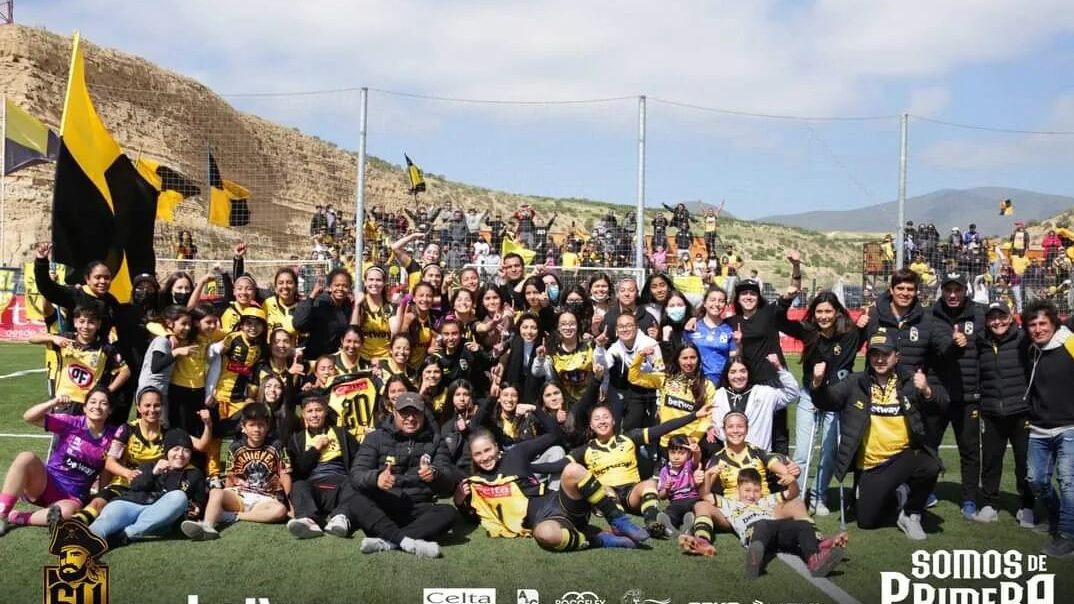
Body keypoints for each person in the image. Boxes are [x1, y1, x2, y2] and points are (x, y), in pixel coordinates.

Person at [811, 329, 946, 540]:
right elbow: (827, 401)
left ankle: (911, 513)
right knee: (867, 521)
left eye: (885, 354)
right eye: (875, 354)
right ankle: (898, 493)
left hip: (903, 457)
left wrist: (927, 391)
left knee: (930, 465)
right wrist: (818, 384)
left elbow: (942, 405)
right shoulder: (855, 382)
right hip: (871, 466)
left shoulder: (911, 381)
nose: (880, 359)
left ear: (896, 356)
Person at [458, 422, 649, 549]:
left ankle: (619, 521)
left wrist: (535, 409)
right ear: (472, 457)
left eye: (487, 450)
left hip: (560, 502)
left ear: (496, 447)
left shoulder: (516, 455)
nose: (485, 457)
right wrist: (460, 502)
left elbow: (555, 434)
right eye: (478, 454)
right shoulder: (475, 483)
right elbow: (479, 517)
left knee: (572, 470)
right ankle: (599, 539)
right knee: (544, 535)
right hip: (546, 522)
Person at [777, 286, 869, 516]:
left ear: (837, 312)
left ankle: (819, 496)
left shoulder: (850, 334)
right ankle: (797, 496)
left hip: (836, 399)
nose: (823, 316)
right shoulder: (808, 332)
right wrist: (787, 298)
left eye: (828, 311)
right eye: (819, 312)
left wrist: (869, 316)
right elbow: (780, 320)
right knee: (801, 450)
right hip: (810, 395)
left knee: (830, 451)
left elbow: (872, 327)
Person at [567, 397, 714, 537]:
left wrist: (695, 415)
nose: (602, 421)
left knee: (650, 483)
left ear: (613, 421)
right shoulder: (585, 450)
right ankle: (620, 524)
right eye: (597, 419)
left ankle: (653, 522)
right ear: (591, 425)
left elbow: (662, 428)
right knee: (605, 490)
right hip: (608, 496)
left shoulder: (629, 438)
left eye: (605, 417)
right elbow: (558, 465)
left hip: (631, 494)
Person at [340, 393, 458, 558]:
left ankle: (389, 542)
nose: (410, 418)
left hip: (416, 507)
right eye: (404, 413)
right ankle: (406, 542)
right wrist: (376, 478)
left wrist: (434, 474)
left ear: (424, 414)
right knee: (355, 499)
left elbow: (448, 481)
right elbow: (357, 474)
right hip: (383, 506)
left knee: (448, 512)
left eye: (416, 413)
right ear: (394, 413)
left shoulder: (437, 442)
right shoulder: (375, 438)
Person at [0, 388, 119, 533]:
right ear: (85, 407)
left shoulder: (114, 437)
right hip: (45, 484)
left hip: (72, 497)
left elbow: (107, 469)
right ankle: (2, 514)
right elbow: (28, 417)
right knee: (26, 458)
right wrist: (53, 402)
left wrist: (101, 498)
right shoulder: (72, 423)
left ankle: (16, 517)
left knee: (70, 513)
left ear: (110, 410)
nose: (97, 406)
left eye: (104, 403)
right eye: (92, 402)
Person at [706, 468, 846, 578]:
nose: (751, 495)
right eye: (747, 490)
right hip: (754, 531)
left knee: (803, 525)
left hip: (775, 532)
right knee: (762, 524)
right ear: (738, 490)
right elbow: (705, 495)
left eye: (756, 491)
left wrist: (792, 482)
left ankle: (814, 560)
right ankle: (754, 560)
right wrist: (708, 475)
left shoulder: (766, 500)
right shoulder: (729, 504)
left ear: (761, 491)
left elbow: (793, 493)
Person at [181, 404, 290, 540]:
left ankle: (234, 516)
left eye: (261, 425)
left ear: (267, 426)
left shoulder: (276, 445)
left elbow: (285, 475)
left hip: (266, 498)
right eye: (252, 425)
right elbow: (230, 477)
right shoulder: (235, 447)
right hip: (240, 495)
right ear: (243, 427)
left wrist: (289, 504)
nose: (257, 429)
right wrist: (223, 496)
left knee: (280, 511)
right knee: (216, 492)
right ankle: (207, 526)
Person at [87, 429, 207, 547]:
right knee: (104, 523)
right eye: (176, 449)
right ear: (167, 451)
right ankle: (84, 544)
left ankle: (126, 534)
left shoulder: (194, 474)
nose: (180, 455)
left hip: (159, 517)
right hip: (131, 505)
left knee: (179, 497)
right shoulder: (152, 465)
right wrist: (154, 472)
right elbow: (136, 486)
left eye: (186, 450)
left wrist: (196, 508)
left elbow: (200, 501)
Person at [928, 271, 985, 519]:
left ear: (965, 290)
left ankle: (970, 499)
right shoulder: (929, 314)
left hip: (969, 395)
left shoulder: (981, 314)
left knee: (970, 451)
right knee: (929, 447)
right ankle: (925, 491)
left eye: (957, 289)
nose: (952, 294)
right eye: (948, 289)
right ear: (942, 290)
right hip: (937, 393)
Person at [1021, 300, 1074, 557]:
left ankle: (1067, 535)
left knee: (1068, 482)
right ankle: (1056, 520)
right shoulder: (1033, 350)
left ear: (1054, 323)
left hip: (1070, 428)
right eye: (1032, 324)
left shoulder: (1070, 343)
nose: (1038, 329)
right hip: (1040, 428)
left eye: (1043, 323)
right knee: (1036, 480)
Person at [975, 302, 1035, 526]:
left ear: (1011, 318)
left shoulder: (1023, 339)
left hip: (1021, 412)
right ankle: (989, 504)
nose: (997, 322)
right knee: (990, 460)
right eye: (992, 318)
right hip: (990, 411)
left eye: (1001, 317)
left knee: (1024, 461)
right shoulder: (981, 342)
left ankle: (1027, 506)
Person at [285, 394, 360, 539]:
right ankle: (308, 520)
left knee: (355, 484)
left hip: (340, 482)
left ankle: (340, 518)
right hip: (313, 485)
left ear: (325, 412)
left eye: (318, 410)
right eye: (310, 411)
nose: (314, 415)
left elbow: (358, 458)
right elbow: (298, 469)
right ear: (304, 415)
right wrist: (315, 449)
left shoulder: (341, 433)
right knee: (298, 485)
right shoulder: (297, 439)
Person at [712, 356, 800, 451]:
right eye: (733, 372)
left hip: (760, 457)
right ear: (727, 375)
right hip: (730, 456)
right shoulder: (718, 396)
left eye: (743, 371)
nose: (738, 376)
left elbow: (793, 393)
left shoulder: (764, 393)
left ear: (749, 373)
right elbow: (716, 424)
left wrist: (779, 368)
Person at [293, 268, 355, 360]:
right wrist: (312, 295)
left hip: (335, 358)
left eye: (345, 286)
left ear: (350, 288)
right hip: (314, 358)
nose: (340, 289)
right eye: (337, 285)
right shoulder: (320, 303)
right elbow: (299, 323)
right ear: (330, 286)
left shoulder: (348, 305)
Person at [687, 287, 736, 387]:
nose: (717, 304)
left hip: (722, 384)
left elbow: (733, 355)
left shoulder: (729, 329)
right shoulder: (692, 326)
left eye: (721, 301)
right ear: (704, 303)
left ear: (725, 305)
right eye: (712, 300)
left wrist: (739, 343)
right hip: (696, 383)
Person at [654, 435, 702, 534]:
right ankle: (669, 526)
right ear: (668, 453)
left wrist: (696, 452)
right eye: (672, 452)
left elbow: (696, 459)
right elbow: (661, 496)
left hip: (693, 499)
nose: (676, 457)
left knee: (697, 511)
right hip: (676, 502)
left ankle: (689, 525)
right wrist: (666, 489)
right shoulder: (664, 471)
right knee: (670, 513)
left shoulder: (689, 465)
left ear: (689, 454)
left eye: (681, 453)